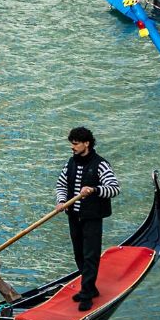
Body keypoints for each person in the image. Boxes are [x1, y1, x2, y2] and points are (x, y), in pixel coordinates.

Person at [57, 125, 121, 308]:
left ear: (87, 143)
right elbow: (61, 184)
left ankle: (86, 295)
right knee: (79, 254)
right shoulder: (71, 163)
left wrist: (94, 190)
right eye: (72, 144)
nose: (72, 147)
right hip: (74, 217)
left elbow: (114, 188)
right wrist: (61, 201)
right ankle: (90, 288)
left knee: (90, 255)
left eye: (76, 144)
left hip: (92, 217)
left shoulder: (101, 164)